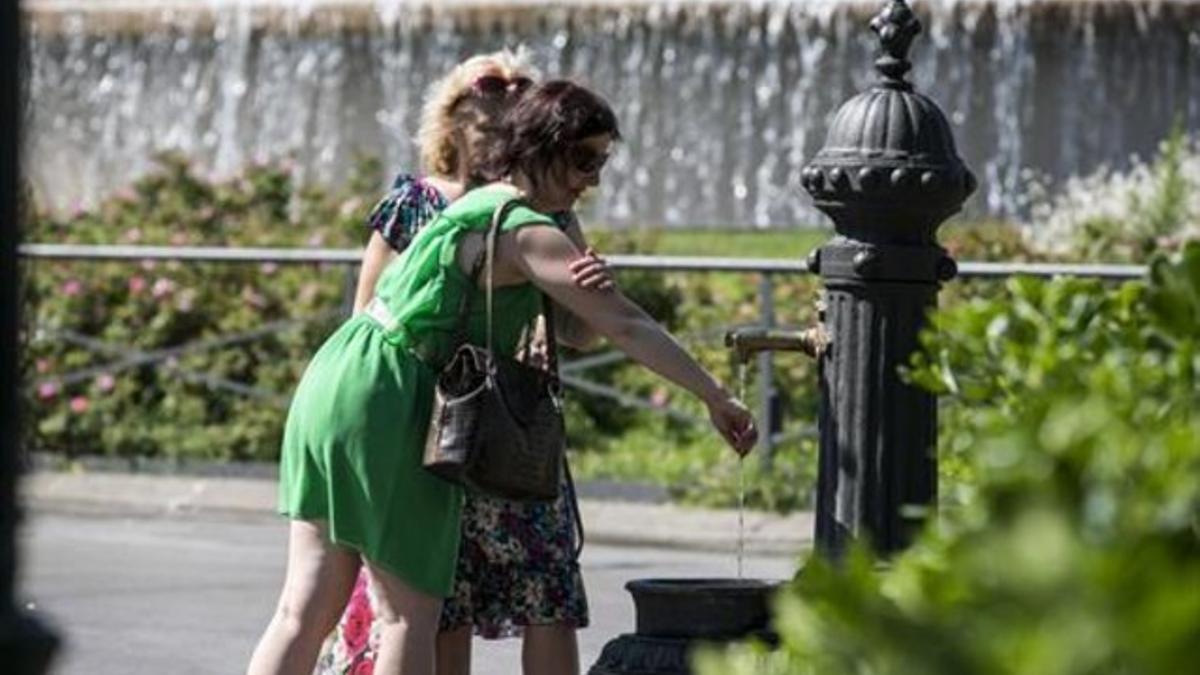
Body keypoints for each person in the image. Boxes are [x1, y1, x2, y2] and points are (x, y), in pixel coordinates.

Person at [246, 79, 757, 675]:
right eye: (584, 159)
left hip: (335, 380)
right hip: (391, 394)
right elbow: (625, 325)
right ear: (541, 147)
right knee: (408, 616)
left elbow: (580, 327)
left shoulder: (476, 206)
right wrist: (715, 395)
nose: (593, 178)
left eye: (602, 162)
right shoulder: (522, 227)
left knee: (302, 609)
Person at [321, 50, 611, 675]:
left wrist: (591, 280)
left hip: (513, 422)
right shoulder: (415, 202)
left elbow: (582, 331)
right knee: (441, 601)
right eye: (487, 108)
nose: (506, 95)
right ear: (449, 121)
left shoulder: (550, 209)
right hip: (432, 429)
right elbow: (367, 315)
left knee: (550, 590)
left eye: (514, 108)